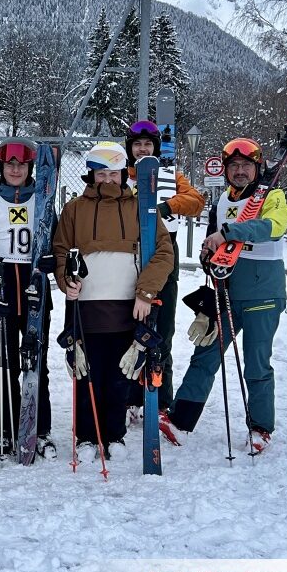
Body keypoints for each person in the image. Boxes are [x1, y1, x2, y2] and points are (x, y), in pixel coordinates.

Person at [161, 138, 287, 455]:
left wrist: (231, 233)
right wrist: (209, 255)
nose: (241, 171)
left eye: (247, 165)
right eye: (234, 166)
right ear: (227, 169)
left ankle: (260, 428)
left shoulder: (272, 196)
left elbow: (273, 227)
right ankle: (180, 419)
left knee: (256, 364)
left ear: (257, 168)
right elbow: (212, 243)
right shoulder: (221, 203)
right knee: (204, 354)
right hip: (227, 293)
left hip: (262, 294)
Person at [52, 141, 174, 462]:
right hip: (86, 306)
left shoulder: (140, 208)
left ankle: (114, 434)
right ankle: (87, 436)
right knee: (87, 371)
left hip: (128, 306)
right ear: (91, 175)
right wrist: (67, 281)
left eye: (114, 174)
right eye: (101, 173)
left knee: (122, 374)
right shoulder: (75, 210)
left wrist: (146, 292)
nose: (108, 180)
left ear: (124, 174)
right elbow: (62, 250)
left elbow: (163, 252)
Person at [0, 139, 56, 459]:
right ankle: (7, 427)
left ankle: (40, 428)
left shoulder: (44, 201)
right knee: (4, 363)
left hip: (34, 286)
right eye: (10, 165)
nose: (15, 170)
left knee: (37, 364)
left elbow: (54, 244)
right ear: (2, 168)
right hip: (2, 284)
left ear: (30, 167)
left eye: (21, 165)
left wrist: (49, 260)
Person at [124, 120, 205, 416]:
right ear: (130, 149)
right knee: (130, 323)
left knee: (162, 325)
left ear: (156, 147)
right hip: (129, 251)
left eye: (148, 144)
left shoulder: (170, 176)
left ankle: (160, 397)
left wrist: (166, 206)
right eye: (137, 145)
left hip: (163, 249)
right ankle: (131, 396)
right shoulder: (122, 175)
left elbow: (196, 201)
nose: (142, 149)